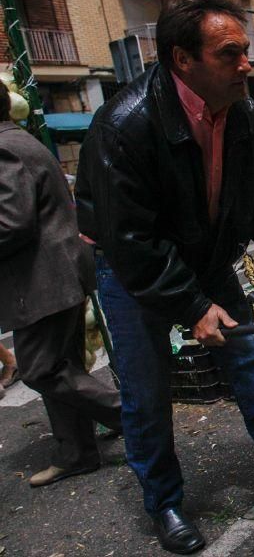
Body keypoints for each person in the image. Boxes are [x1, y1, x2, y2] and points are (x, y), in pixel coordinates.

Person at [75, 0, 254, 555]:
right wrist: (192, 307)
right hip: (133, 272)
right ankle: (165, 503)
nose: (246, 63)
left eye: (245, 50)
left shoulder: (246, 116)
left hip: (208, 258)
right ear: (183, 59)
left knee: (250, 363)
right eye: (230, 53)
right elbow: (130, 239)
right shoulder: (124, 124)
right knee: (146, 389)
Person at [0, 82, 123, 486]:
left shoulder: (5, 148)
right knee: (61, 365)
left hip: (42, 278)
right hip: (57, 273)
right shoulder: (21, 139)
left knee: (40, 368)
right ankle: (77, 453)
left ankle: (131, 415)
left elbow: (11, 222)